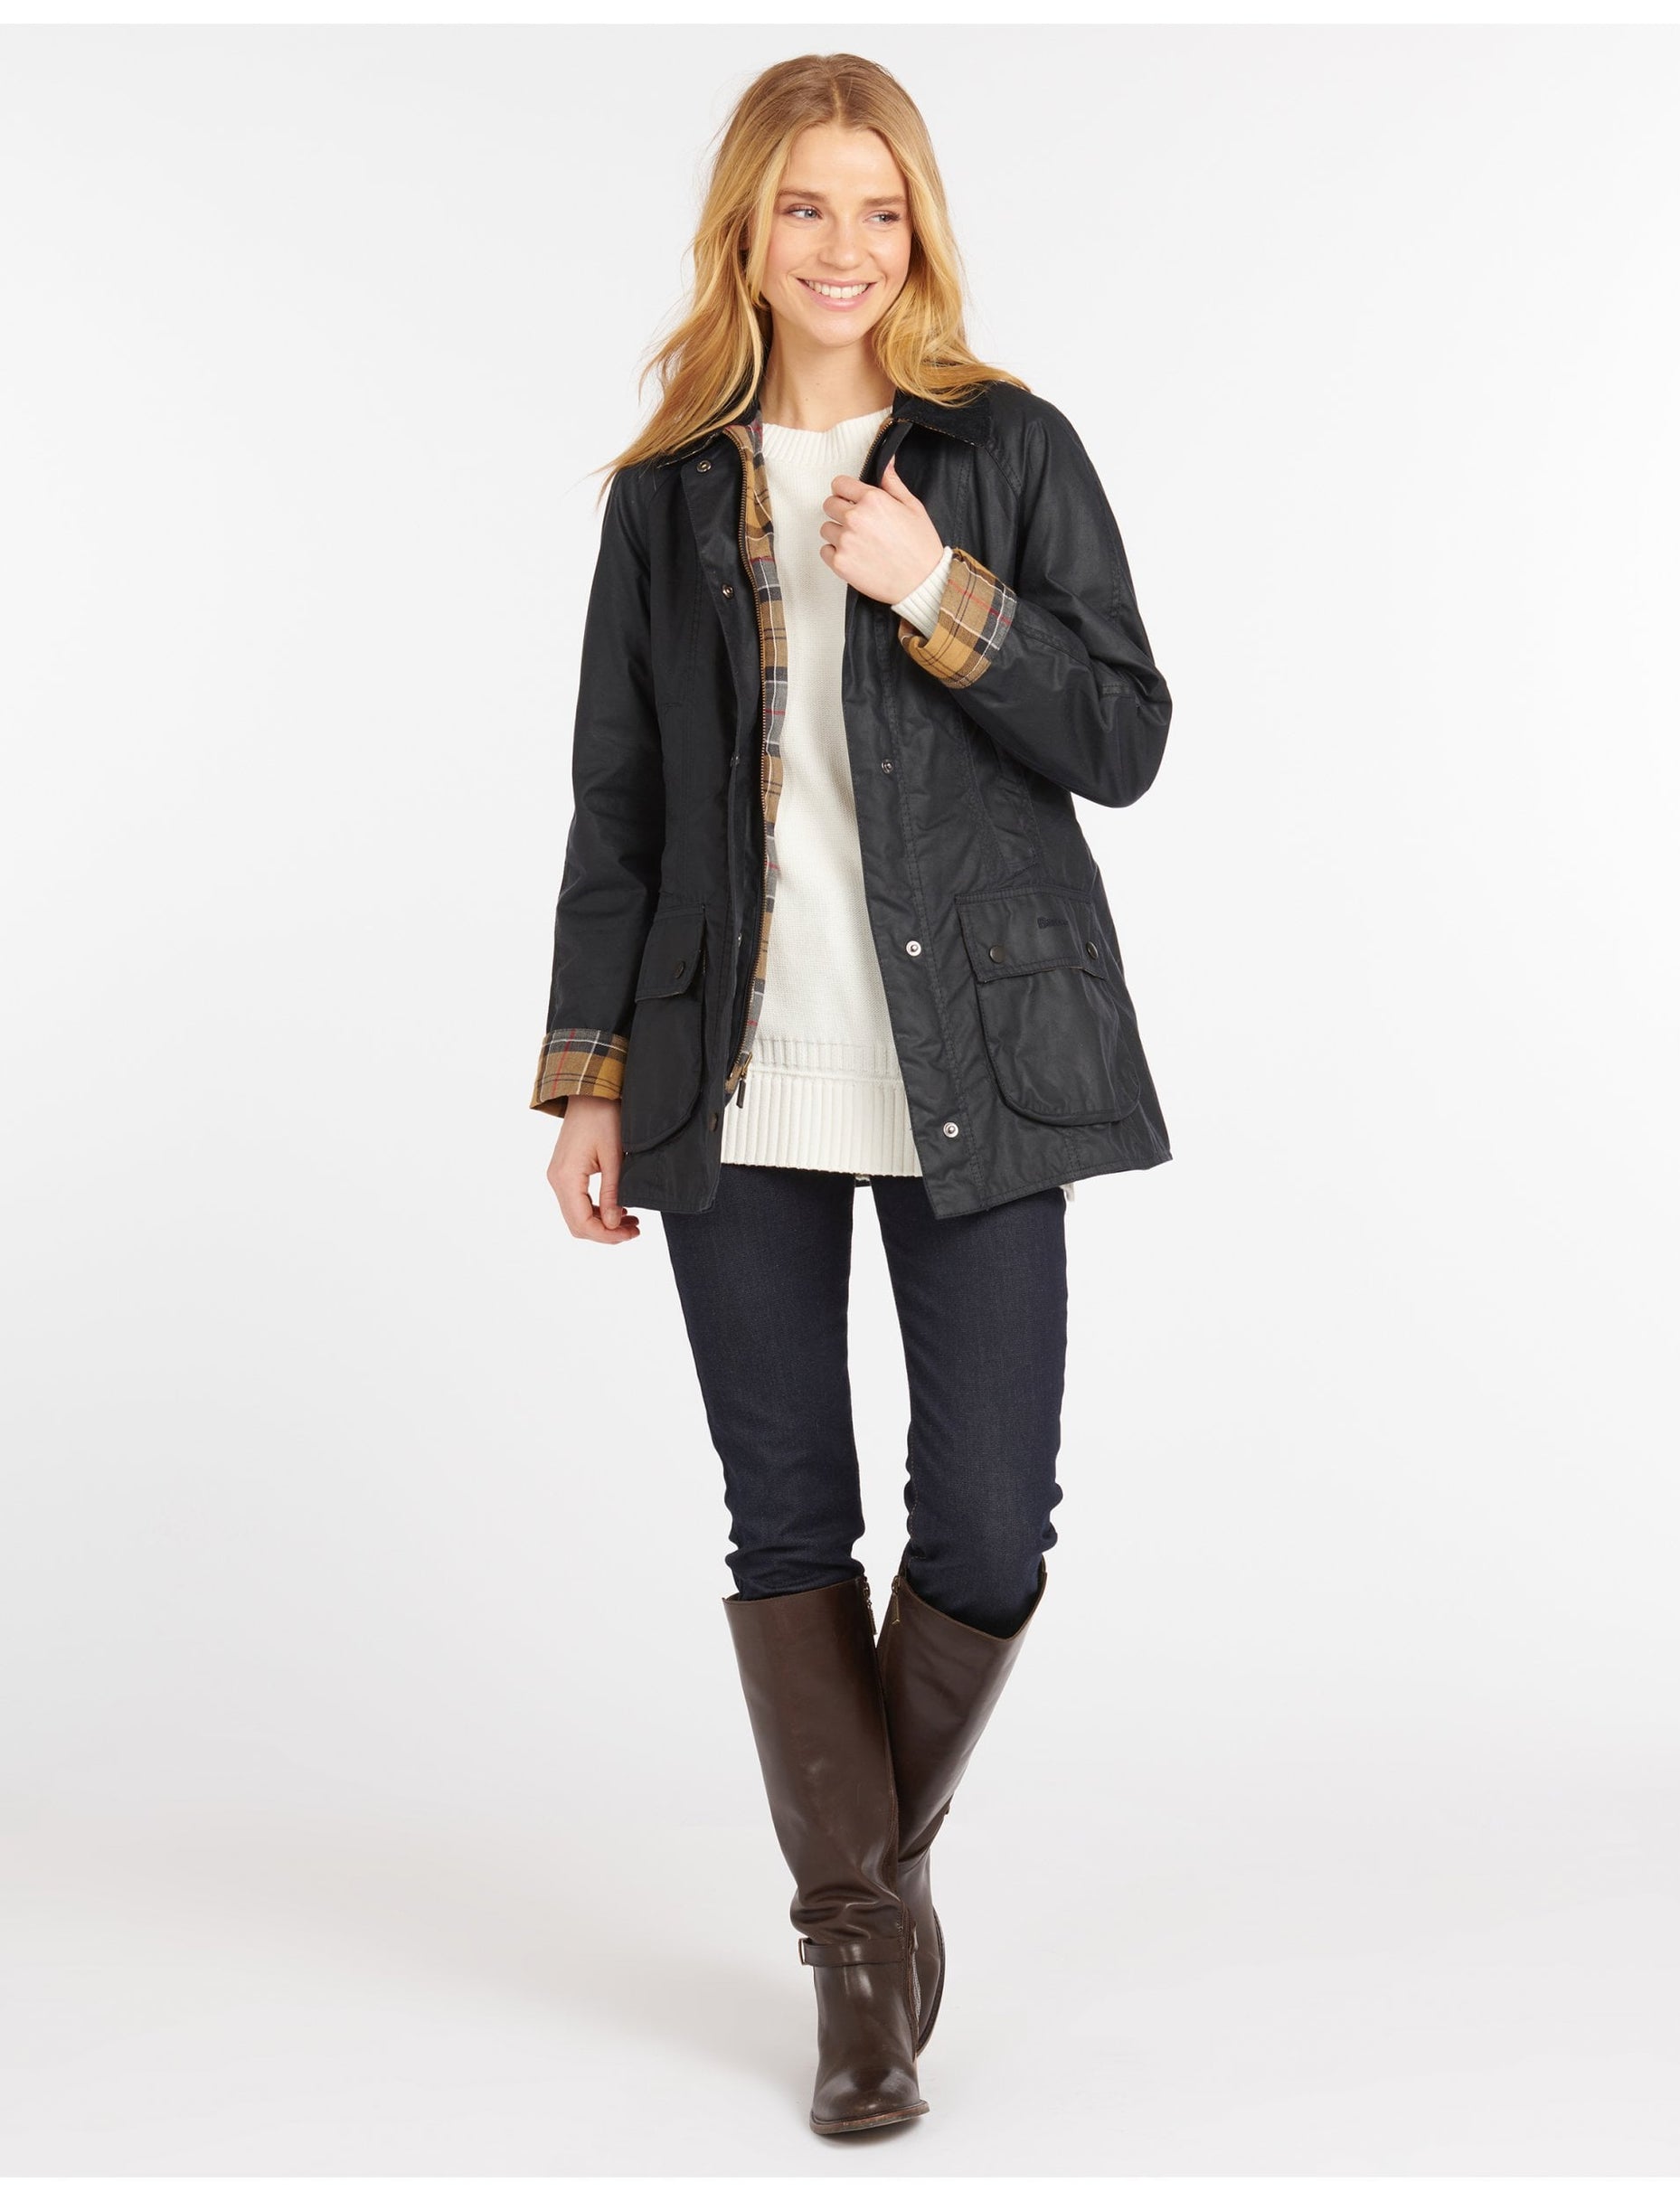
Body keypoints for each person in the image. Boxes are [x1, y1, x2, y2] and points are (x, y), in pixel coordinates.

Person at [531, 52, 1173, 2138]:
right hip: (730, 1067)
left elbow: (1125, 735)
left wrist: (934, 588)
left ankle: (866, 1887)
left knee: (988, 1517)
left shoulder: (1006, 451)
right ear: (747, 225)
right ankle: (855, 1964)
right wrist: (588, 1081)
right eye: (805, 206)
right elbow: (620, 806)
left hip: (979, 1062)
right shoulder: (665, 493)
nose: (843, 247)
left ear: (921, 229)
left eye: (878, 209)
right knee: (786, 1511)